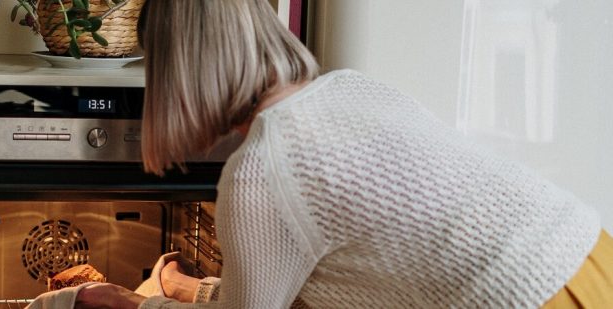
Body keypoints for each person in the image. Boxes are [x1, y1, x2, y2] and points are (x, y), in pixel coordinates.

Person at [38, 0, 613, 308]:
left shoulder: (263, 168)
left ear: (182, 67)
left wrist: (127, 305)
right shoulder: (349, 88)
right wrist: (185, 289)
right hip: (590, 260)